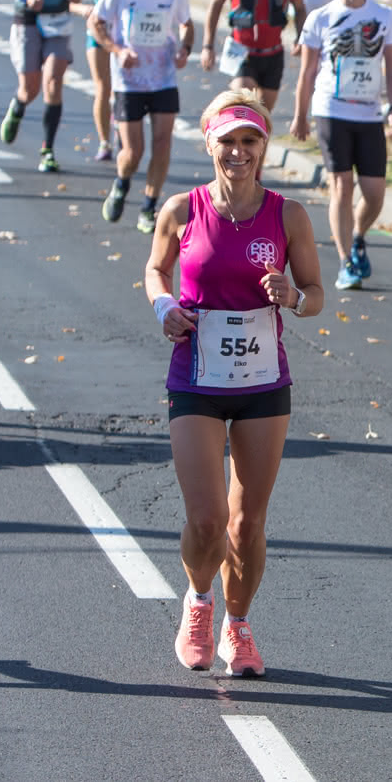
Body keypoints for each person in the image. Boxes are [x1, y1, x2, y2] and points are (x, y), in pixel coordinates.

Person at [145, 91, 323, 678]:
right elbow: (154, 270)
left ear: (264, 147)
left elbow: (316, 295)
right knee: (206, 520)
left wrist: (293, 297)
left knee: (247, 523)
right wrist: (163, 305)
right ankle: (199, 602)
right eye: (228, 142)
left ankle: (238, 626)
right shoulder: (181, 210)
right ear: (210, 145)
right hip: (195, 376)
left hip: (263, 382)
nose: (239, 152)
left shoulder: (287, 215)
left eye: (250, 141)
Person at [289, 0, 392, 291]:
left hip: (369, 113)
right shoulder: (320, 18)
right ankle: (345, 261)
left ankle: (357, 234)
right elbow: (308, 71)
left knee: (375, 192)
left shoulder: (384, 16)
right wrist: (300, 115)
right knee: (341, 185)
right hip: (331, 109)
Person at [89, 0, 194, 234]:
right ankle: (121, 184)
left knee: (163, 143)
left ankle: (149, 205)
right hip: (129, 80)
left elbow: (187, 24)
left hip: (163, 77)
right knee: (133, 152)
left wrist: (185, 48)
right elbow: (95, 22)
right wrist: (117, 50)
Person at [0, 0, 83, 172]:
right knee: (30, 87)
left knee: (54, 81)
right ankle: (19, 105)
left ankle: (47, 148)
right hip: (29, 18)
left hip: (58, 19)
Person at [72, 0, 133, 162]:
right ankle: (105, 141)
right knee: (103, 87)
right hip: (96, 35)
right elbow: (72, 1)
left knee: (122, 90)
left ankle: (121, 129)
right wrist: (84, 9)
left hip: (124, 37)